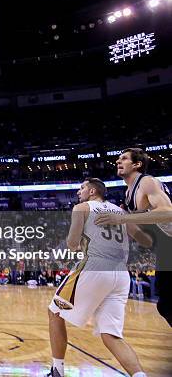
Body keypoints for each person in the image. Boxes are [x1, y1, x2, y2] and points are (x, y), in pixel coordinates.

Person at [47, 178, 152, 377]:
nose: (79, 192)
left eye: (82, 188)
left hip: (95, 266)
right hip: (121, 274)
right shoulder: (120, 212)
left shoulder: (82, 208)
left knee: (54, 313)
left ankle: (57, 370)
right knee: (111, 335)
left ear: (93, 191)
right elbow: (145, 241)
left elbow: (71, 243)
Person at [94, 148, 172, 326]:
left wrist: (123, 217)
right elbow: (145, 240)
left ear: (137, 164)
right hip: (165, 249)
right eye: (118, 159)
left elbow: (168, 213)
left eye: (124, 158)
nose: (118, 161)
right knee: (166, 306)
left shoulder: (147, 182)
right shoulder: (128, 194)